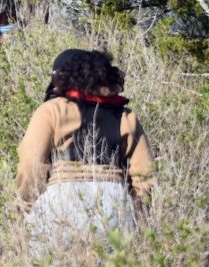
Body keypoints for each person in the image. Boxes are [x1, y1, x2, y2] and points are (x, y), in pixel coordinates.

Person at [17, 49, 154, 251]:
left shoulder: (52, 110)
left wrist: (26, 207)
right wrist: (135, 216)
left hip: (61, 203)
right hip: (115, 204)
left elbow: (32, 165)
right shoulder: (126, 116)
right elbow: (145, 175)